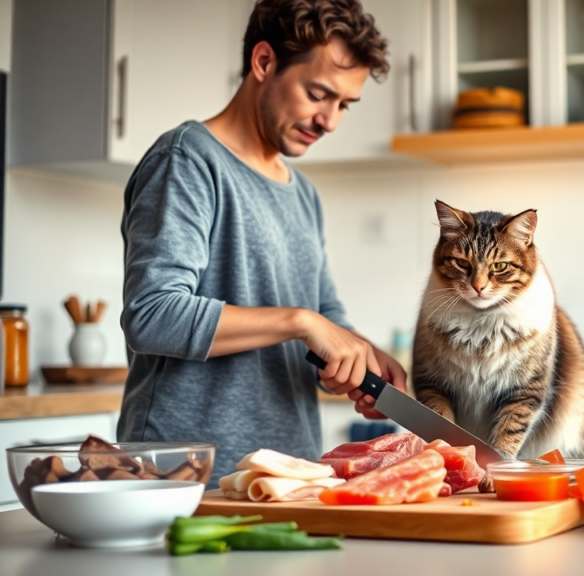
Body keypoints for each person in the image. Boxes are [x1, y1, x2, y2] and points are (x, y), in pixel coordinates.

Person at [117, 0, 403, 482]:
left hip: (290, 476)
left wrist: (363, 357)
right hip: (186, 478)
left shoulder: (303, 194)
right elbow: (151, 315)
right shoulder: (186, 160)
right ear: (264, 62)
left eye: (344, 105)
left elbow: (324, 314)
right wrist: (300, 322)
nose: (329, 120)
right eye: (318, 93)